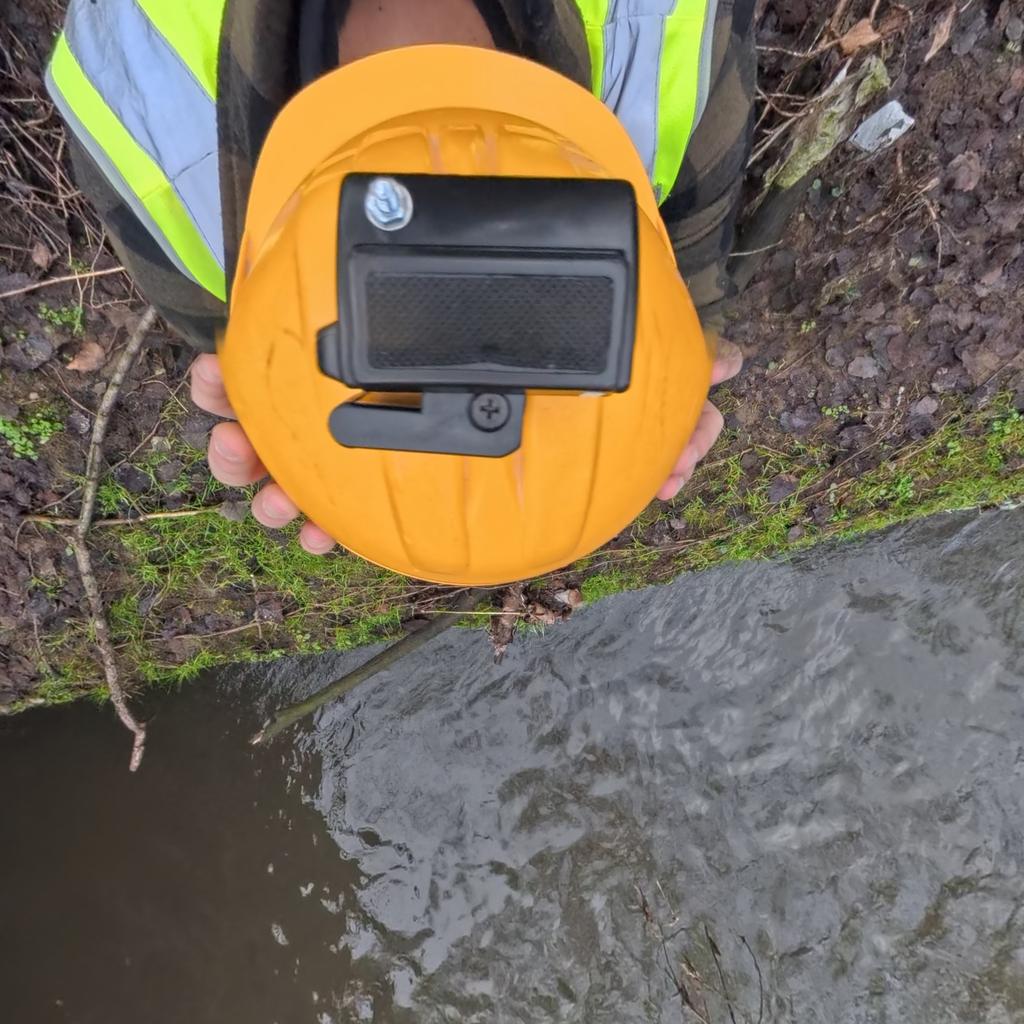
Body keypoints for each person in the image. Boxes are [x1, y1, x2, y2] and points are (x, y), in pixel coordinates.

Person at [47, 0, 752, 557]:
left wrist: (674, 378)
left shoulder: (143, 115)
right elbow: (690, 270)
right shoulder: (131, 86)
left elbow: (690, 269)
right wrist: (673, 367)